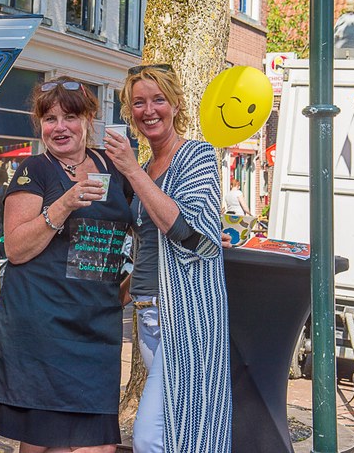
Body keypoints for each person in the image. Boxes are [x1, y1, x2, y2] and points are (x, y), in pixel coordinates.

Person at [0, 77, 133, 452]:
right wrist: (64, 204)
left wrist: (126, 290)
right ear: (40, 125)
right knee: (44, 442)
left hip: (95, 329)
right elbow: (16, 249)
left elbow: (146, 228)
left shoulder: (115, 168)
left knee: (100, 445)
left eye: (70, 117)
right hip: (41, 327)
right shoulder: (34, 170)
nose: (60, 127)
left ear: (89, 119)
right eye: (50, 119)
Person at [104, 64, 232, 452]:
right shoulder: (145, 168)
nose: (149, 110)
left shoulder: (196, 155)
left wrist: (130, 170)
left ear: (176, 104)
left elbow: (185, 229)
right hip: (147, 315)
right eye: (138, 102)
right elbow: (147, 248)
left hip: (185, 314)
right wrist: (117, 297)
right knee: (178, 430)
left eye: (158, 99)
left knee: (149, 436)